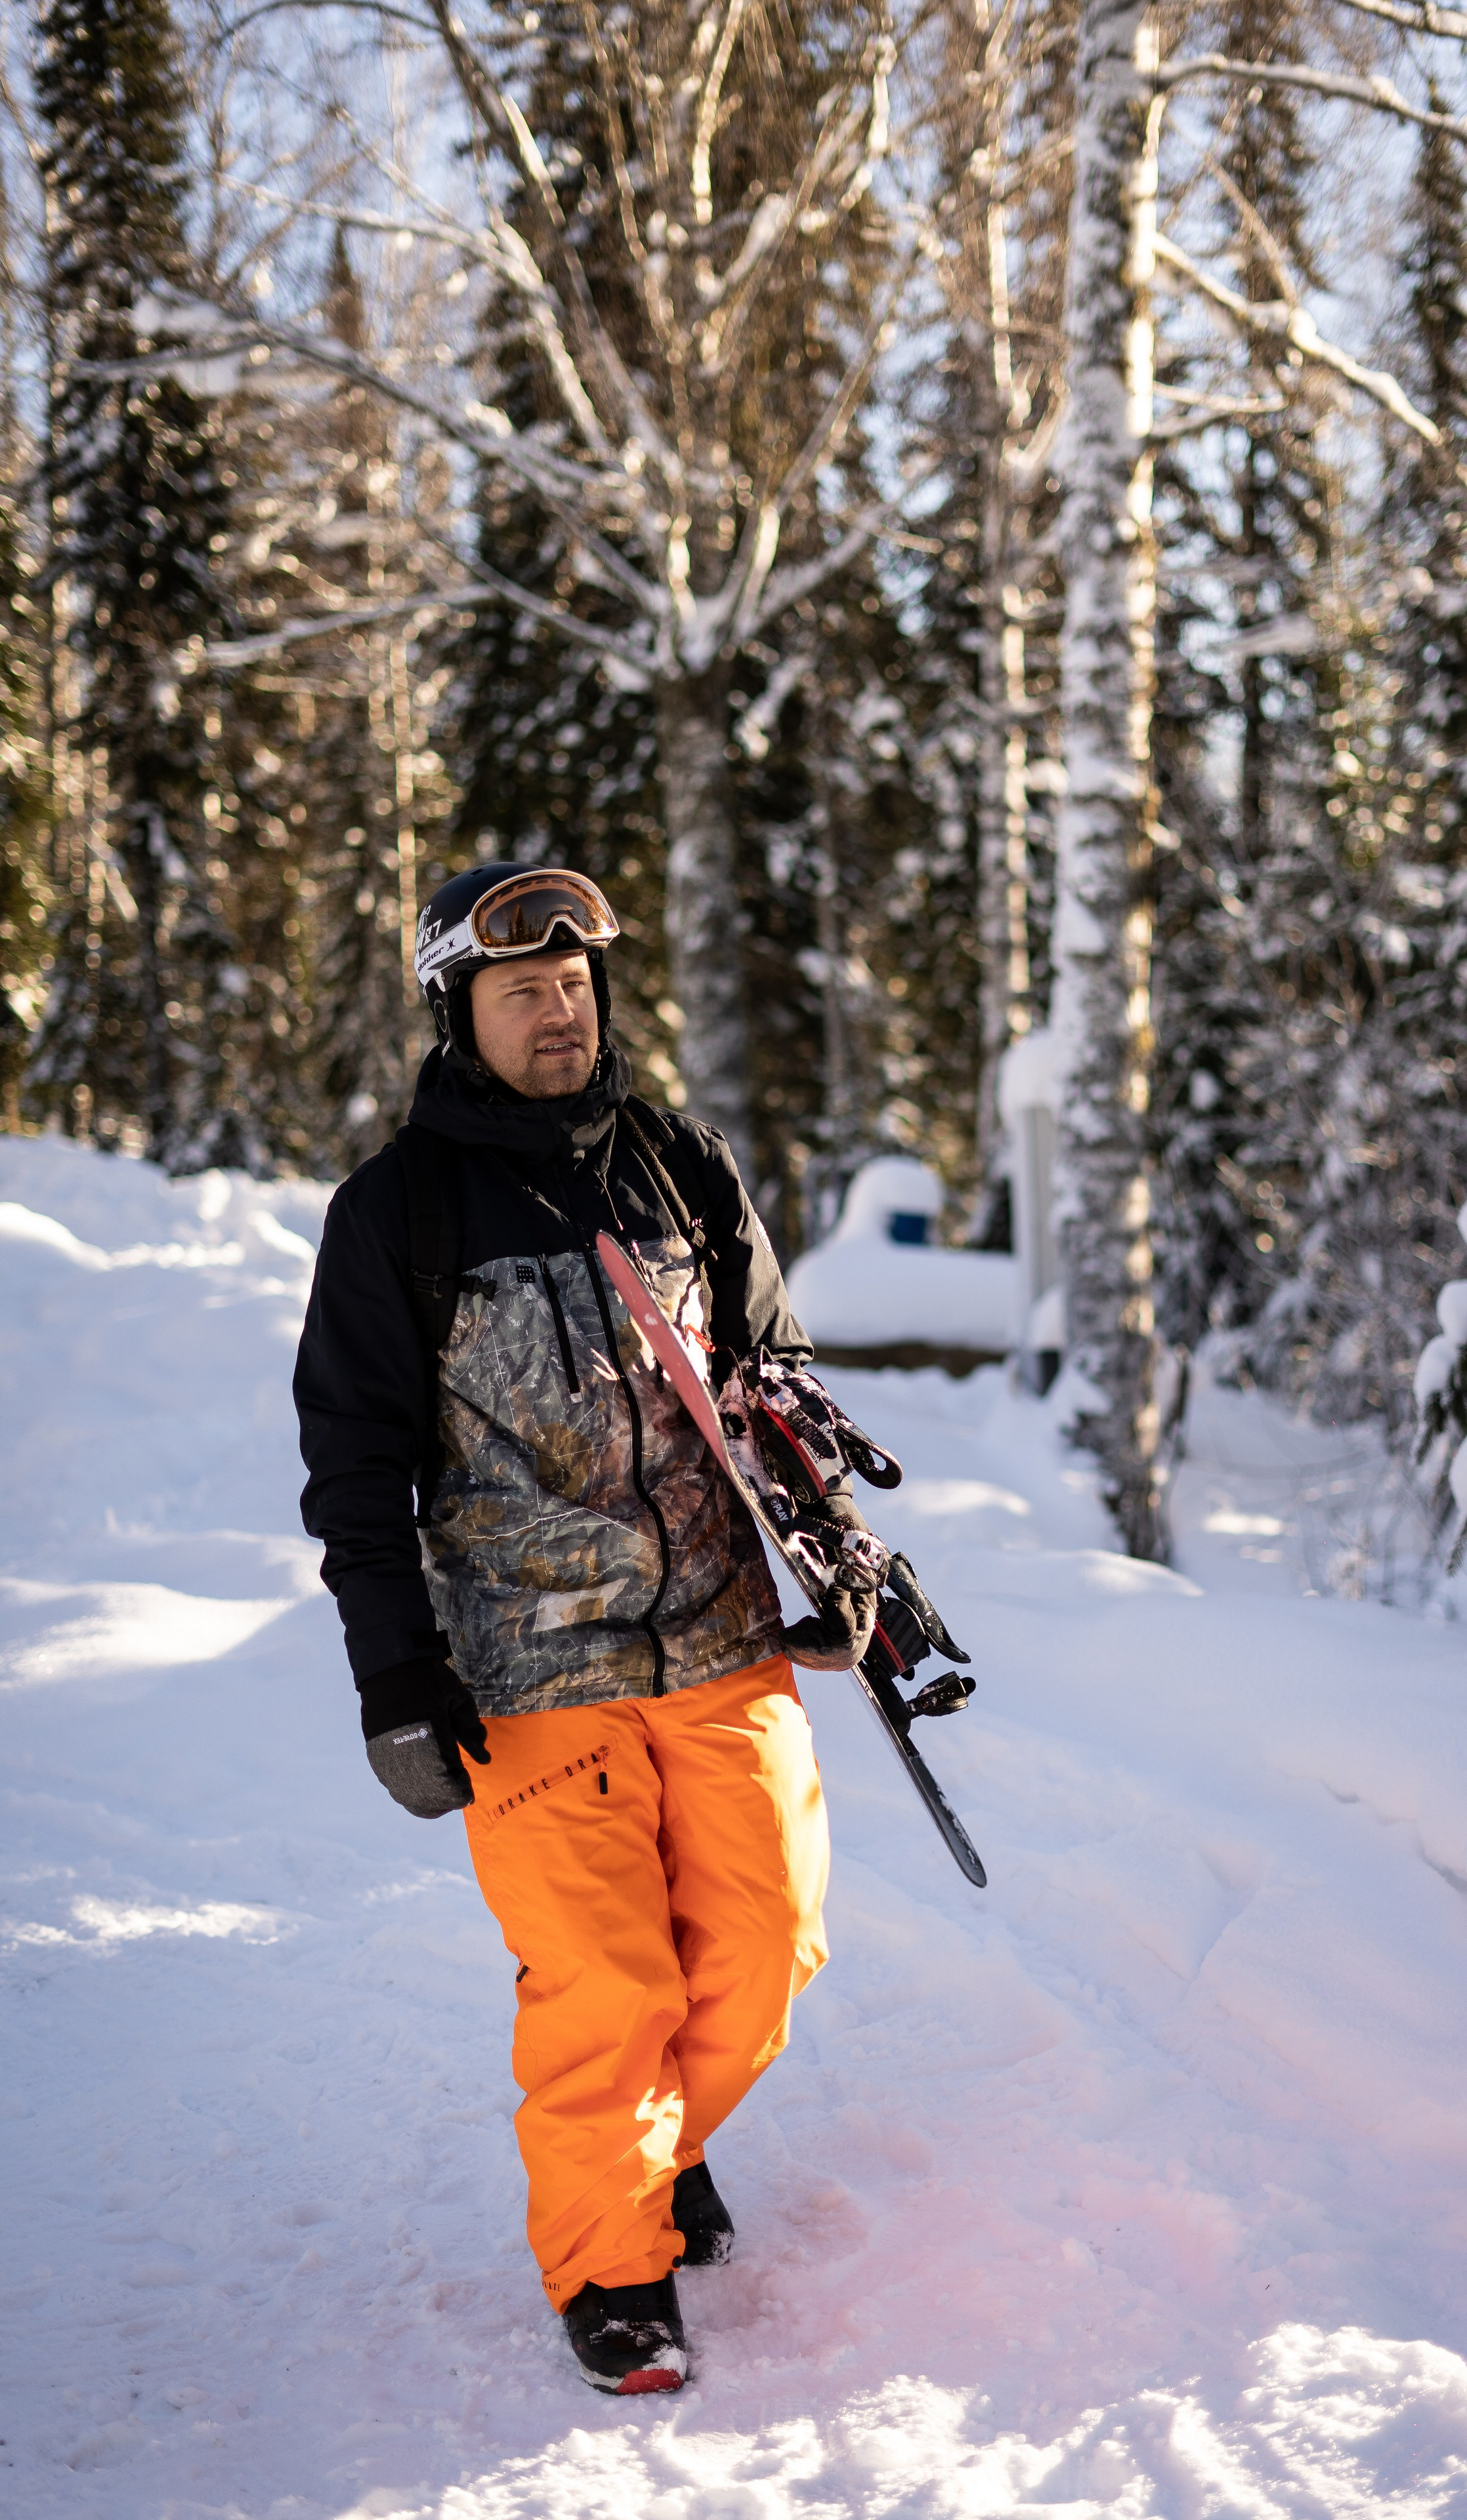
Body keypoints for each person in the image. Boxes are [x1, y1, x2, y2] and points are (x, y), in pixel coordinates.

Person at [293, 865, 876, 2395]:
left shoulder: (680, 1165)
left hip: (721, 1635)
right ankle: (612, 2270)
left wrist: (834, 1546)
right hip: (525, 1664)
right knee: (607, 1989)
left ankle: (653, 2149)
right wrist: (394, 1674)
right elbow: (355, 1462)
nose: (558, 1014)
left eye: (573, 986)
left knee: (767, 1950)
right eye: (521, 992)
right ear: (458, 1012)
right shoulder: (396, 1212)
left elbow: (770, 1378)